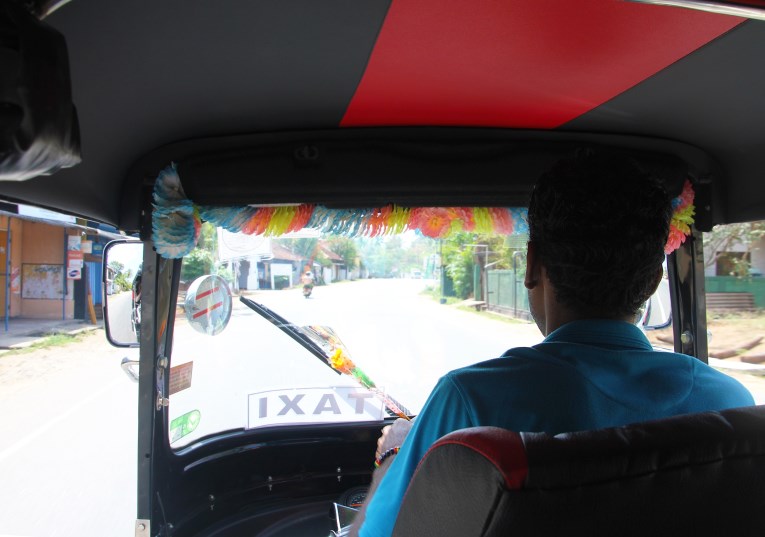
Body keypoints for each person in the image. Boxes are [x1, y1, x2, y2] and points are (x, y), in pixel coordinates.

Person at [352, 150, 754, 537]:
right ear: (652, 281)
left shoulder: (470, 400)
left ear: (531, 266)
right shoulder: (728, 401)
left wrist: (391, 455)